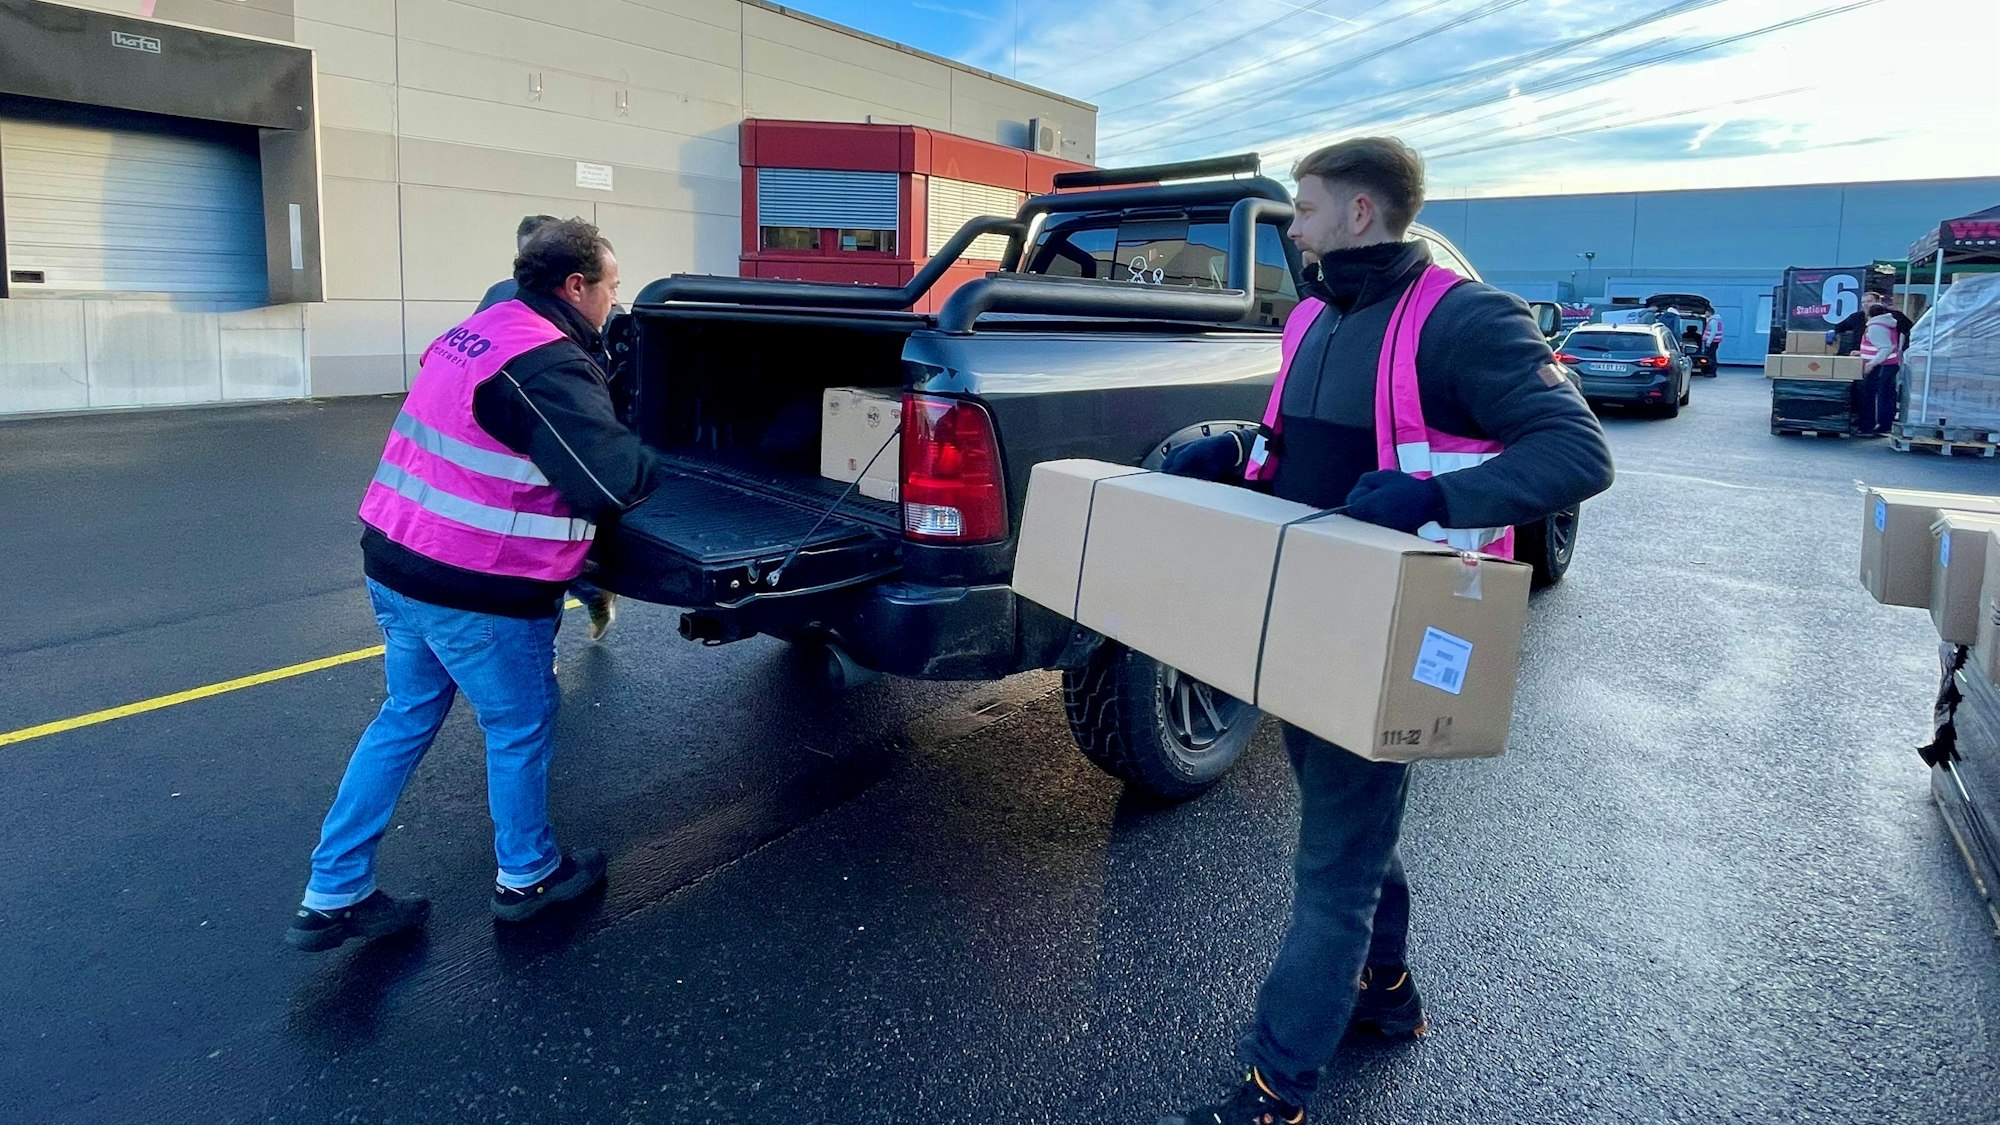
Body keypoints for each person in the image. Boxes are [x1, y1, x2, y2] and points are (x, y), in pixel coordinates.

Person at [1156, 137, 1614, 1125]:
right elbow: (1299, 447)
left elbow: (1578, 453)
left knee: (1332, 865)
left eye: (1305, 209)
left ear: (1359, 214)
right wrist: (1238, 453)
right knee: (1345, 828)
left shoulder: (1464, 319)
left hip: (1397, 624)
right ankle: (1389, 995)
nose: (1294, 227)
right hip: (1303, 607)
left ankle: (1276, 1086)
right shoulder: (1313, 317)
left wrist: (1435, 495)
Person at [287, 219, 664, 951]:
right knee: (518, 726)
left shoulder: (483, 328)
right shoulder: (545, 365)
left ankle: (333, 889)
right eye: (613, 287)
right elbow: (608, 481)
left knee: (402, 719)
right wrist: (664, 458)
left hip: (396, 562)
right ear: (576, 286)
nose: (617, 303)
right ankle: (527, 878)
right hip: (477, 589)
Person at [482, 215, 620, 644]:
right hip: (518, 479)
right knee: (541, 546)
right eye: (612, 288)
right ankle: (585, 600)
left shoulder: (495, 307)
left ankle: (582, 601)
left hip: (405, 550)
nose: (615, 300)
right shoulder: (553, 355)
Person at [1856, 293, 1904, 437]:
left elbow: (1885, 348)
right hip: (1887, 364)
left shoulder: (1876, 327)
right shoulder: (1886, 323)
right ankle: (1881, 424)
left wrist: (1871, 363)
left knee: (1876, 395)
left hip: (1883, 365)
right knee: (1884, 394)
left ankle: (1873, 425)